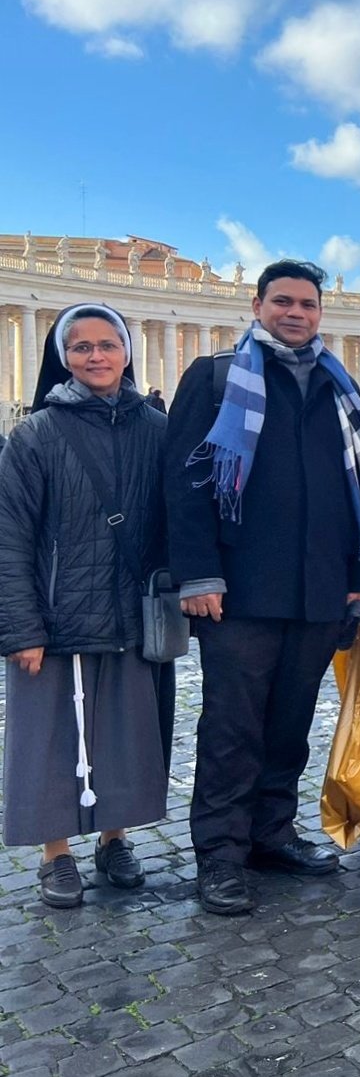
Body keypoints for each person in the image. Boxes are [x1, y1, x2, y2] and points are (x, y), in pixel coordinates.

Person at [165, 259, 360, 914]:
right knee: (232, 728)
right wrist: (199, 573)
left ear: (321, 313)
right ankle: (221, 857)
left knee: (289, 725)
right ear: (257, 305)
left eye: (308, 304)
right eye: (283, 301)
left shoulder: (338, 387)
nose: (296, 312)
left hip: (318, 592)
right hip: (238, 592)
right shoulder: (212, 378)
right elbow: (184, 484)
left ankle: (270, 833)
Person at [0, 304, 169, 907]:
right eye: (81, 347)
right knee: (49, 737)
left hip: (128, 612)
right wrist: (20, 626)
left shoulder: (158, 429)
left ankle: (114, 838)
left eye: (107, 344)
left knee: (122, 732)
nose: (95, 356)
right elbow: (10, 534)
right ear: (62, 357)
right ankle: (56, 852)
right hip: (54, 614)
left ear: (128, 351)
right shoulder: (36, 434)